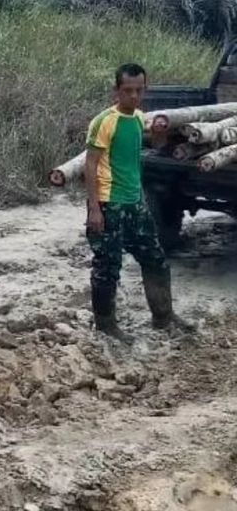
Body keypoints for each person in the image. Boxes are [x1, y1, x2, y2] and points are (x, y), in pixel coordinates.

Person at [85, 63, 192, 342]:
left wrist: (158, 135)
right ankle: (106, 324)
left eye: (138, 90)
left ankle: (163, 316)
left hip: (135, 202)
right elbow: (90, 165)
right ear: (116, 91)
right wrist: (94, 209)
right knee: (107, 267)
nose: (133, 96)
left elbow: (152, 148)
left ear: (145, 89)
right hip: (109, 205)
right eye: (127, 90)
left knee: (155, 258)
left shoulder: (138, 119)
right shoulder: (104, 121)